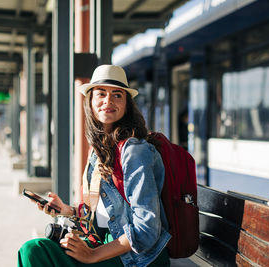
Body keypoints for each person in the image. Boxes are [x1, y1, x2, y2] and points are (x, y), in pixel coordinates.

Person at [18, 65, 171, 267]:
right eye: (101, 93)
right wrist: (68, 210)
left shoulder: (135, 152)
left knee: (36, 252)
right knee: (34, 249)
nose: (108, 101)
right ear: (90, 101)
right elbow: (103, 213)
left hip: (137, 256)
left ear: (126, 105)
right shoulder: (99, 150)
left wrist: (93, 255)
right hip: (102, 243)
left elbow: (147, 229)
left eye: (117, 95)